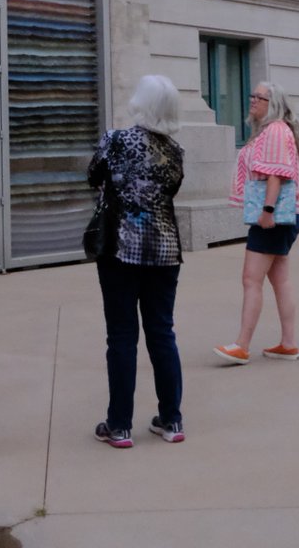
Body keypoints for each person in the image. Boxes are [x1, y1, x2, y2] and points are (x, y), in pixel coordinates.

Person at [88, 74, 186, 449]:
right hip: (164, 251)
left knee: (122, 335)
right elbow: (170, 192)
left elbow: (92, 175)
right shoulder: (176, 152)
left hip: (120, 249)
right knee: (162, 332)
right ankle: (171, 419)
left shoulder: (115, 140)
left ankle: (119, 425)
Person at [214, 80, 299, 365]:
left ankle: (242, 345)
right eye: (252, 95)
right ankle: (288, 344)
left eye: (260, 97)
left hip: (273, 215)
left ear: (273, 103)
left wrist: (266, 211)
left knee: (251, 279)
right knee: (280, 279)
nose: (252, 100)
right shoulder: (271, 130)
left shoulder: (276, 130)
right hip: (278, 215)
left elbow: (277, 175)